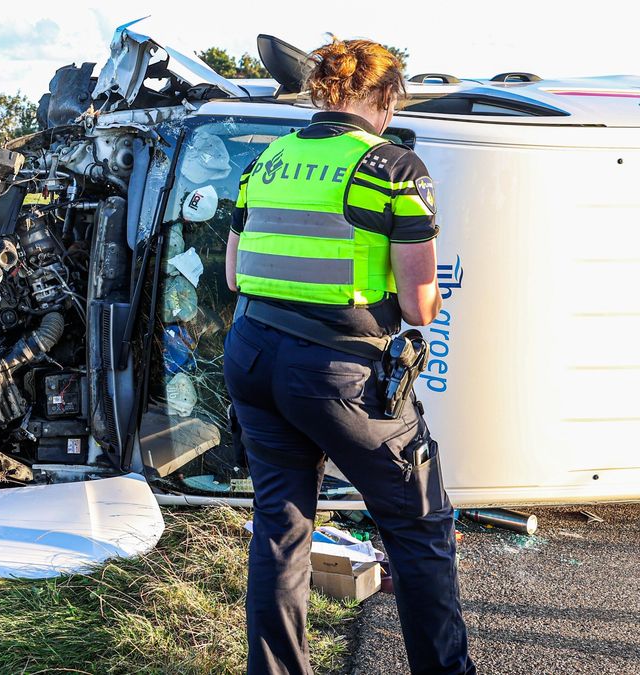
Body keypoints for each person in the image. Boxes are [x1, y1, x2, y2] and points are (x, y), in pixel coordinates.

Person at [222, 37, 476, 674]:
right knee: (418, 526)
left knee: (280, 530)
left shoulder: (267, 161)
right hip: (341, 371)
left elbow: (233, 275)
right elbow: (420, 308)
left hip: (253, 355)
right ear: (386, 95)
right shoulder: (392, 168)